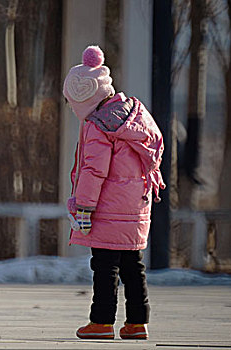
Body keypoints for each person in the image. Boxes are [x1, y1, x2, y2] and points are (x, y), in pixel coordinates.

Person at [62, 46, 165, 340]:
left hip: (107, 207)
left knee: (104, 266)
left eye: (72, 103)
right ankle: (137, 323)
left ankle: (102, 321)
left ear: (84, 98)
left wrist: (83, 206)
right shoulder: (134, 113)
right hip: (137, 204)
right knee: (133, 264)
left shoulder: (99, 126)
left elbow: (95, 171)